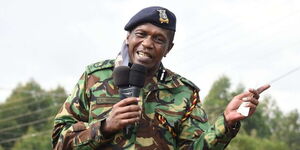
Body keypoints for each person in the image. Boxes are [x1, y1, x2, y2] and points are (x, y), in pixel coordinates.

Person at [51, 6, 270, 150]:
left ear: (168, 48)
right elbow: (59, 142)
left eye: (158, 39)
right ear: (128, 38)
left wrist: (226, 122)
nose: (147, 43)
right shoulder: (95, 77)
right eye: (141, 34)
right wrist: (106, 126)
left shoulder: (184, 92)